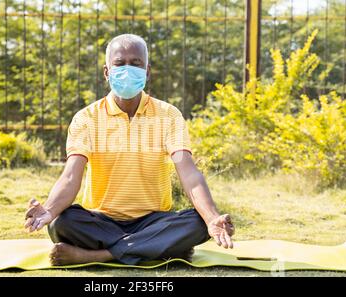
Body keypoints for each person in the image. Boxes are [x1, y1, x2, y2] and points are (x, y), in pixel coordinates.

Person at [24, 34, 234, 266]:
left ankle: (98, 255)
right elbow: (72, 175)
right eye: (119, 63)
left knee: (197, 222)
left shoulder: (169, 115)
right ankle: (158, 248)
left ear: (147, 71)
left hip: (153, 220)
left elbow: (189, 173)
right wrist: (50, 211)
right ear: (106, 72)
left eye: (135, 64)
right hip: (101, 219)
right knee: (62, 222)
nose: (127, 69)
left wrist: (212, 217)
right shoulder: (86, 118)